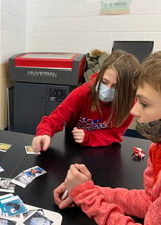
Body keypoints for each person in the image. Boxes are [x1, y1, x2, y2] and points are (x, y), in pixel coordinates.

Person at [53, 51, 161, 224]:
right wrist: (88, 191)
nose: (134, 111)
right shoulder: (157, 147)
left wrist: (87, 196)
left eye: (144, 103)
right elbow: (150, 201)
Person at [32, 50, 139, 151]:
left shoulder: (129, 103)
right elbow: (56, 117)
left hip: (106, 149)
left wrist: (89, 137)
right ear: (99, 74)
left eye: (116, 86)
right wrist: (44, 133)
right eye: (104, 81)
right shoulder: (82, 93)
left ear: (127, 90)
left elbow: (114, 134)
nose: (108, 89)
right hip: (74, 146)